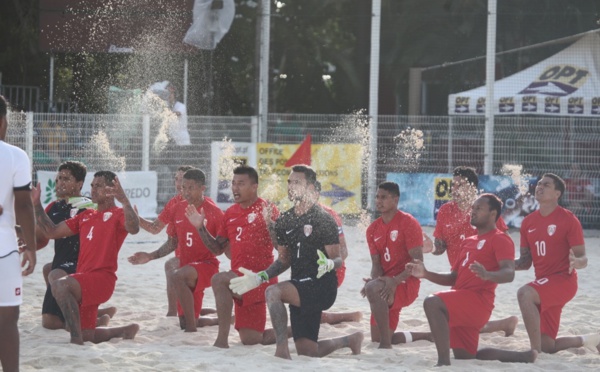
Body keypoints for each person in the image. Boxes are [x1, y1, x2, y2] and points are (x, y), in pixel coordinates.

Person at [228, 165, 363, 359]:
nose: (291, 186)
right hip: (300, 285)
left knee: (273, 291)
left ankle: (281, 351)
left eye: (296, 182)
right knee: (308, 351)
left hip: (321, 286)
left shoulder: (324, 219)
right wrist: (261, 277)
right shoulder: (285, 220)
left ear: (309, 187)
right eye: (289, 182)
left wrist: (330, 264)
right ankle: (350, 340)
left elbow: (338, 258)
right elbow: (284, 260)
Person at [407, 194, 537, 366]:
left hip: (478, 301)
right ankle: (522, 357)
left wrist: (488, 275)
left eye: (478, 208)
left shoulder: (500, 238)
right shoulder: (468, 241)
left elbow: (509, 273)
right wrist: (425, 273)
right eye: (472, 208)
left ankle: (443, 363)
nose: (472, 212)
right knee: (466, 356)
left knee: (432, 302)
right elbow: (453, 278)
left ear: (492, 213)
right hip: (462, 301)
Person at [32, 171, 140, 345]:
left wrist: (125, 201)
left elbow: (134, 229)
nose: (93, 189)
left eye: (98, 186)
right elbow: (52, 232)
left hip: (101, 280)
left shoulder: (117, 213)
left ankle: (75, 341)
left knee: (60, 283)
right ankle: (124, 330)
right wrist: (36, 205)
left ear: (111, 189)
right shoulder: (86, 215)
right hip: (84, 280)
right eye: (92, 185)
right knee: (88, 335)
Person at [185, 165, 280, 347]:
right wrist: (200, 227)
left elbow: (280, 247)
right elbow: (217, 249)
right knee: (251, 340)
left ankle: (221, 341)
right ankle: (296, 331)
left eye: (241, 184)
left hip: (260, 279)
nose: (235, 188)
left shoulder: (267, 209)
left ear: (254, 187)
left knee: (219, 279)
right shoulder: (230, 213)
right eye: (233, 183)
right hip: (239, 281)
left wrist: (271, 225)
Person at [514, 173, 599, 354]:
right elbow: (524, 262)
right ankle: (591, 339)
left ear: (557, 194)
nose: (540, 187)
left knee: (524, 293)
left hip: (563, 281)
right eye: (539, 184)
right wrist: (503, 264)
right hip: (544, 284)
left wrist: (577, 261)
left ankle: (533, 353)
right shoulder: (527, 222)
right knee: (548, 346)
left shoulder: (568, 219)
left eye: (546, 185)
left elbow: (583, 257)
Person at [129, 169, 223, 332]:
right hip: (187, 267)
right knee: (185, 321)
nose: (185, 191)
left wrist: (201, 228)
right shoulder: (176, 207)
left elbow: (219, 250)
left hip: (206, 266)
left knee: (176, 274)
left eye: (190, 187)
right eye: (183, 187)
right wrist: (150, 256)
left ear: (202, 188)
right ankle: (220, 319)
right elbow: (171, 242)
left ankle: (190, 330)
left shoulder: (214, 212)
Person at [431, 166, 518, 336]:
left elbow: (504, 240)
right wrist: (430, 248)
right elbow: (439, 247)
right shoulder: (445, 211)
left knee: (450, 325)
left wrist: (497, 270)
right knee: (456, 324)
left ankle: (504, 324)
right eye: (453, 185)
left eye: (460, 185)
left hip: (481, 276)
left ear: (472, 188)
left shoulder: (483, 210)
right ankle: (505, 324)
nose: (454, 189)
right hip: (457, 275)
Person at [37, 161, 116, 330]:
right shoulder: (54, 206)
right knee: (48, 268)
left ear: (79, 184)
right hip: (66, 264)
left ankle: (87, 319)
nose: (60, 183)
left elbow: (110, 222)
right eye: (58, 179)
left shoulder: (89, 206)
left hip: (84, 266)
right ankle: (82, 310)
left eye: (66, 179)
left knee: (50, 323)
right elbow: (41, 238)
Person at [362, 181, 430, 348]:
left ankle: (386, 346)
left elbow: (418, 262)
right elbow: (376, 264)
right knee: (376, 338)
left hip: (406, 282)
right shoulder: (372, 229)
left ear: (395, 200)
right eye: (377, 197)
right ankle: (426, 335)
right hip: (386, 284)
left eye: (383, 197)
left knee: (382, 339)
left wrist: (395, 281)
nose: (378, 201)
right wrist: (374, 280)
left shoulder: (408, 222)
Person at [0, 95, 37, 371]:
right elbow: (24, 204)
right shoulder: (15, 155)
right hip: (4, 250)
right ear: (4, 122)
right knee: (8, 319)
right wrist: (33, 248)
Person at [136, 165, 196, 316]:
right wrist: (136, 219)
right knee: (191, 310)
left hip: (201, 260)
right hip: (183, 259)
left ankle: (171, 313)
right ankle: (173, 313)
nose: (177, 183)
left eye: (181, 179)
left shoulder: (201, 203)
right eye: (176, 179)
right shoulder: (173, 203)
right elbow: (155, 229)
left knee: (170, 265)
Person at [314, 181, 362, 325]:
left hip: (331, 271)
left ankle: (348, 317)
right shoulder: (294, 214)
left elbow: (344, 251)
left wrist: (326, 265)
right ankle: (348, 316)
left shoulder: (328, 215)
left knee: (308, 315)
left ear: (316, 194)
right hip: (307, 272)